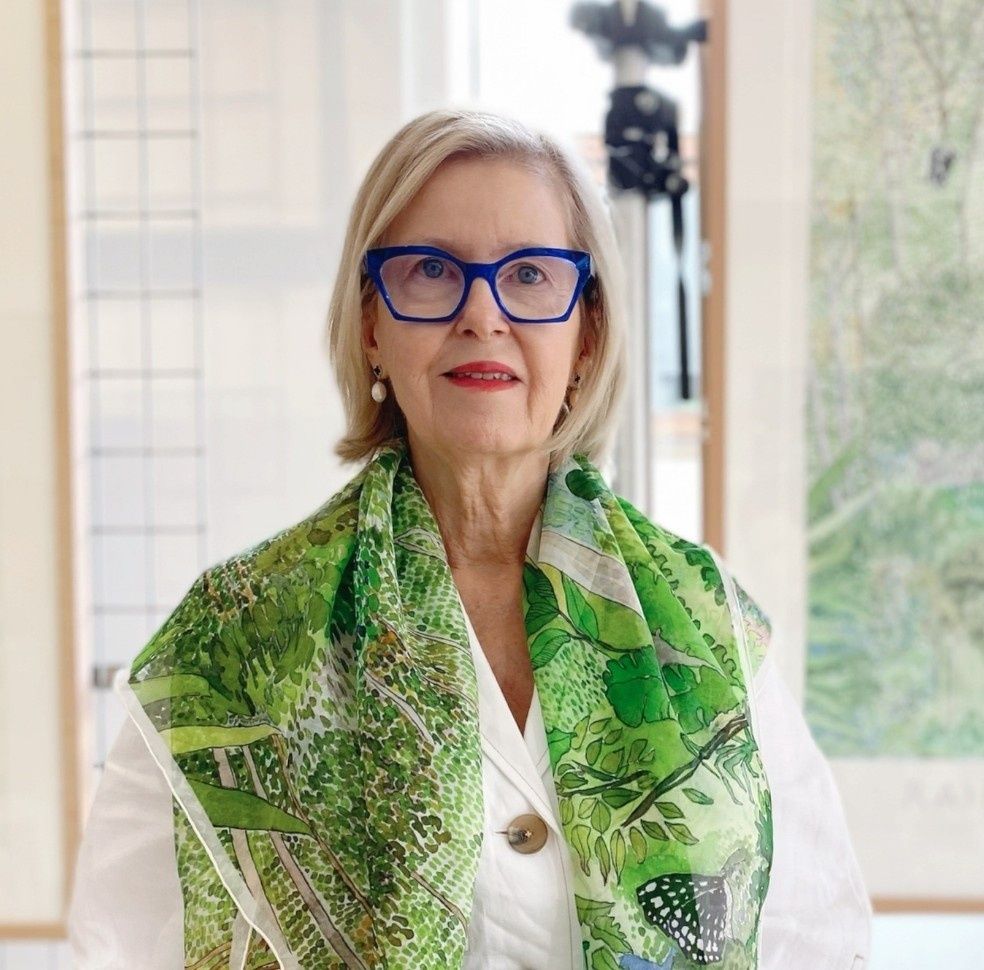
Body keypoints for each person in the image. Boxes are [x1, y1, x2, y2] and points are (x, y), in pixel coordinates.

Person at [68, 107, 872, 969]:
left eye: (529, 274)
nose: (483, 314)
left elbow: (818, 939)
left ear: (588, 333)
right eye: (431, 270)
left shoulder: (704, 617)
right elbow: (115, 952)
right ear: (371, 325)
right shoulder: (234, 636)